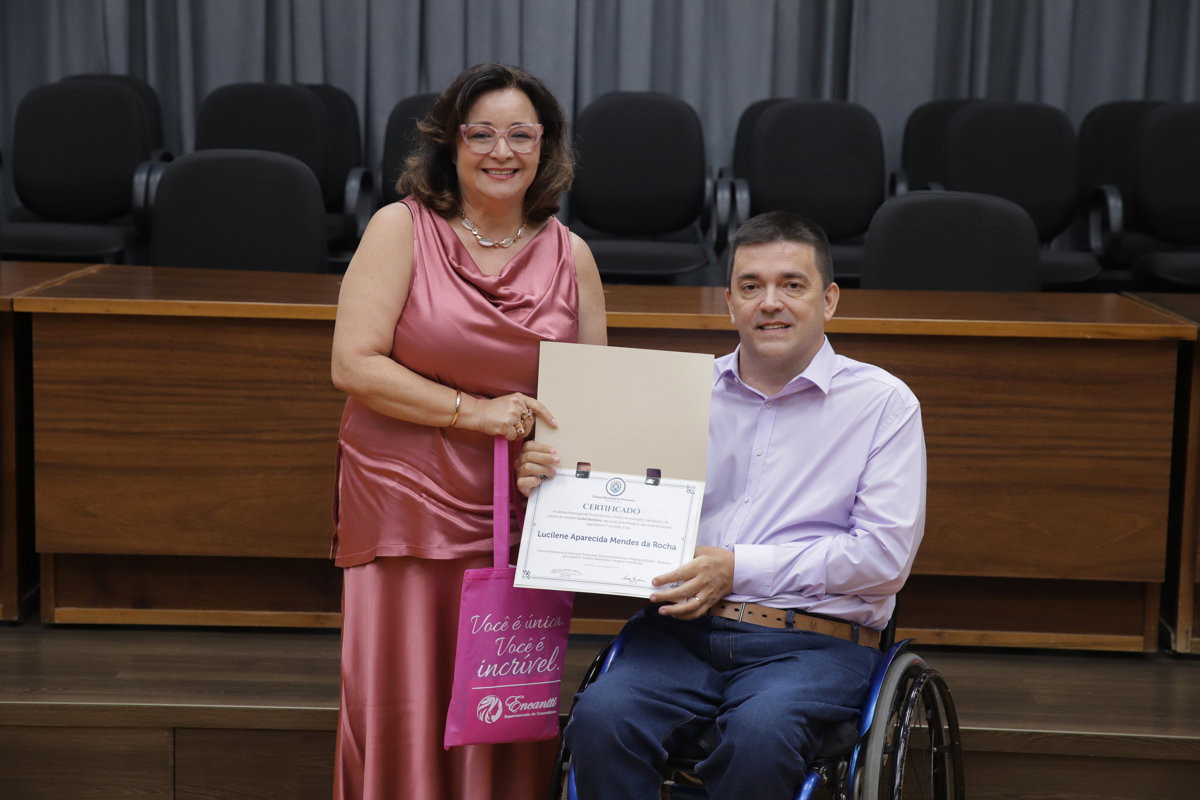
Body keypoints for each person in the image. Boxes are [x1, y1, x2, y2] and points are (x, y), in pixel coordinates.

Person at [517, 211, 926, 799]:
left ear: (829, 300)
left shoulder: (883, 405)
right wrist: (550, 484)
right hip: (681, 634)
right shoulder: (677, 396)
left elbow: (883, 557)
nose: (770, 303)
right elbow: (609, 503)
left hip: (815, 641)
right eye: (751, 286)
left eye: (792, 284)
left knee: (761, 732)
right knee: (603, 717)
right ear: (728, 300)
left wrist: (737, 568)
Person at [329, 63, 606, 800]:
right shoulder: (401, 229)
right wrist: (474, 414)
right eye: (481, 133)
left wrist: (554, 461)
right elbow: (353, 365)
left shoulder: (572, 256)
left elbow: (592, 406)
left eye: (521, 134)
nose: (501, 150)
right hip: (403, 499)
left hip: (516, 512)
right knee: (405, 697)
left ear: (546, 149)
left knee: (502, 701)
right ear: (450, 144)